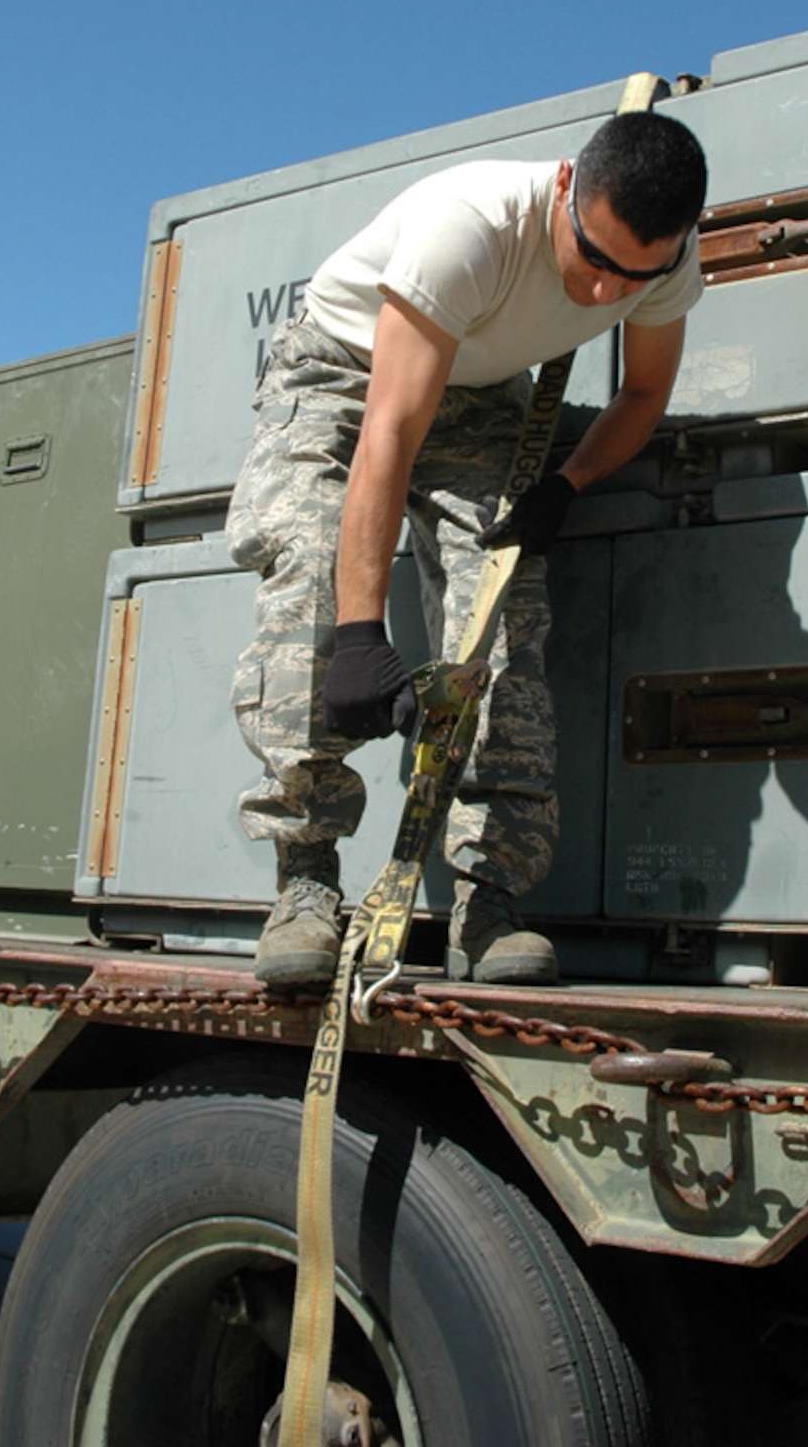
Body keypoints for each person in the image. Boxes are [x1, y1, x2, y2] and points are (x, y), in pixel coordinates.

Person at [225, 109, 708, 989]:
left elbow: (641, 393)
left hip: (481, 393)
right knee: (306, 573)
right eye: (593, 259)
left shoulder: (667, 264)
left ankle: (488, 896)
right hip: (344, 370)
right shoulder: (472, 227)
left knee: (507, 604)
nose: (606, 295)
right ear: (564, 187)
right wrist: (366, 635)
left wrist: (569, 485)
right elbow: (389, 434)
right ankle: (305, 878)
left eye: (634, 275)